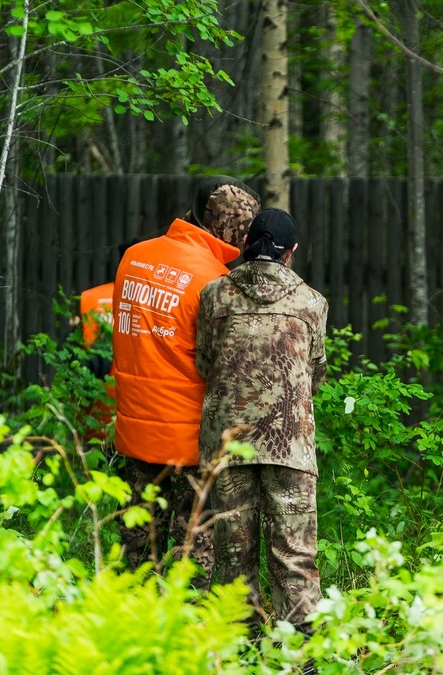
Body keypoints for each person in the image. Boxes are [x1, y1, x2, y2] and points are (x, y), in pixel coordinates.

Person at [110, 178, 260, 587]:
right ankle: (188, 633)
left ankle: (129, 627)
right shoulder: (214, 280)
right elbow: (220, 363)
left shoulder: (134, 258)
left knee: (136, 546)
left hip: (135, 425)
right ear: (236, 234)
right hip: (188, 438)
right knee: (192, 550)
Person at [195, 208, 328, 631]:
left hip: (227, 445)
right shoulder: (311, 301)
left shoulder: (213, 295)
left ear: (246, 244)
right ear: (291, 252)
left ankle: (241, 654)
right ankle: (307, 654)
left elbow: (204, 362)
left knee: (234, 558)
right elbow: (315, 373)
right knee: (294, 556)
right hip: (290, 447)